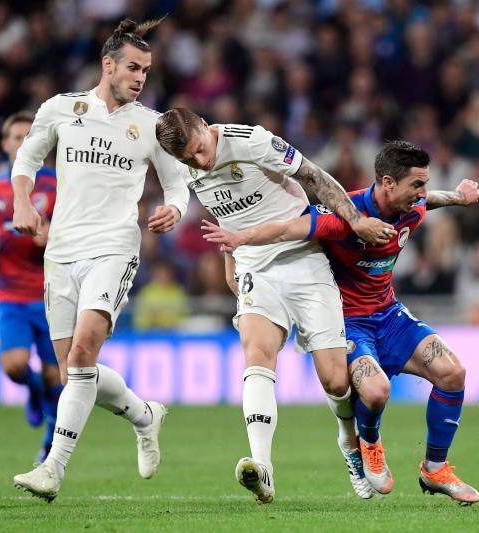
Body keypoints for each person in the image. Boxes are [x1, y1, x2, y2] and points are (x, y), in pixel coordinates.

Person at [202, 141, 479, 504]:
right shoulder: (343, 215)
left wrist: (458, 197)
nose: (421, 193)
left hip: (389, 313)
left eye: (423, 184)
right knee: (376, 390)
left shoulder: (411, 205)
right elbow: (288, 229)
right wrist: (240, 238)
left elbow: (432, 200)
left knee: (453, 373)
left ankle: (435, 469)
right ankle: (368, 442)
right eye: (416, 184)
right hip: (347, 322)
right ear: (387, 183)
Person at [155, 107, 393, 503]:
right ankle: (262, 467)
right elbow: (223, 210)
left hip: (301, 254)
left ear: (204, 126)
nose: (201, 161)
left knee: (336, 380)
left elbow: (315, 176)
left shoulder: (251, 141)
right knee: (257, 352)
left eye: (200, 150)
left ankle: (349, 443)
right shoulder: (184, 162)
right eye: (189, 159)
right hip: (253, 264)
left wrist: (354, 221)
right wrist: (231, 258)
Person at [10, 18, 191, 502]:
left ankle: (52, 469)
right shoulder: (61, 110)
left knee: (85, 349)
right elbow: (26, 160)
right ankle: (144, 415)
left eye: (147, 71)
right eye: (133, 67)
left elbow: (178, 182)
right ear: (107, 65)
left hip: (114, 246)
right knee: (74, 371)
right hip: (62, 250)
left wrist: (174, 207)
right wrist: (22, 203)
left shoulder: (152, 124)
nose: (140, 78)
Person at [0, 111, 60, 464]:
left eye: (30, 136)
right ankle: (34, 391)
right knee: (13, 365)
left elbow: (65, 225)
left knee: (60, 378)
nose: (24, 142)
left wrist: (50, 236)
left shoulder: (56, 184)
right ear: (6, 144)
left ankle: (50, 445)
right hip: (9, 293)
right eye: (17, 137)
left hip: (51, 293)